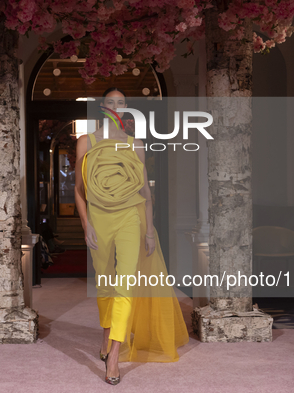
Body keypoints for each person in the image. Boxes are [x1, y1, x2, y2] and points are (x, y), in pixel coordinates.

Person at [74, 88, 188, 385]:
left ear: (125, 109)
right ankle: (106, 334)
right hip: (99, 219)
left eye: (120, 102)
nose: (115, 106)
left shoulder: (135, 144)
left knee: (124, 285)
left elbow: (145, 192)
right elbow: (78, 189)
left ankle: (114, 353)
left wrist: (149, 231)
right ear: (102, 107)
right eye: (109, 102)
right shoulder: (86, 141)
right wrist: (86, 225)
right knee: (106, 285)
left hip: (130, 218)